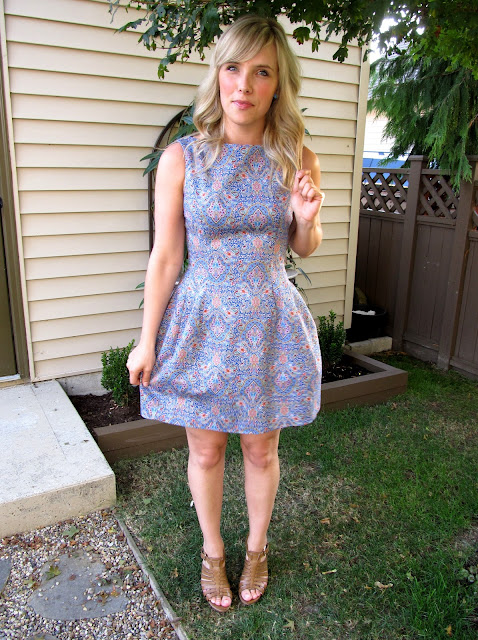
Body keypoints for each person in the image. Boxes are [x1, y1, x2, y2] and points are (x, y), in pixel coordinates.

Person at [127, 14, 325, 613]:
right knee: (207, 449)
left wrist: (306, 218)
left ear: (277, 84)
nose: (244, 84)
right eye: (233, 68)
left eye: (261, 72)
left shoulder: (295, 155)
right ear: (218, 75)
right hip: (203, 323)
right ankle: (213, 551)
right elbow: (166, 257)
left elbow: (303, 246)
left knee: (261, 449)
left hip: (268, 321)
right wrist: (146, 339)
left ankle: (257, 549)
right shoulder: (182, 158)